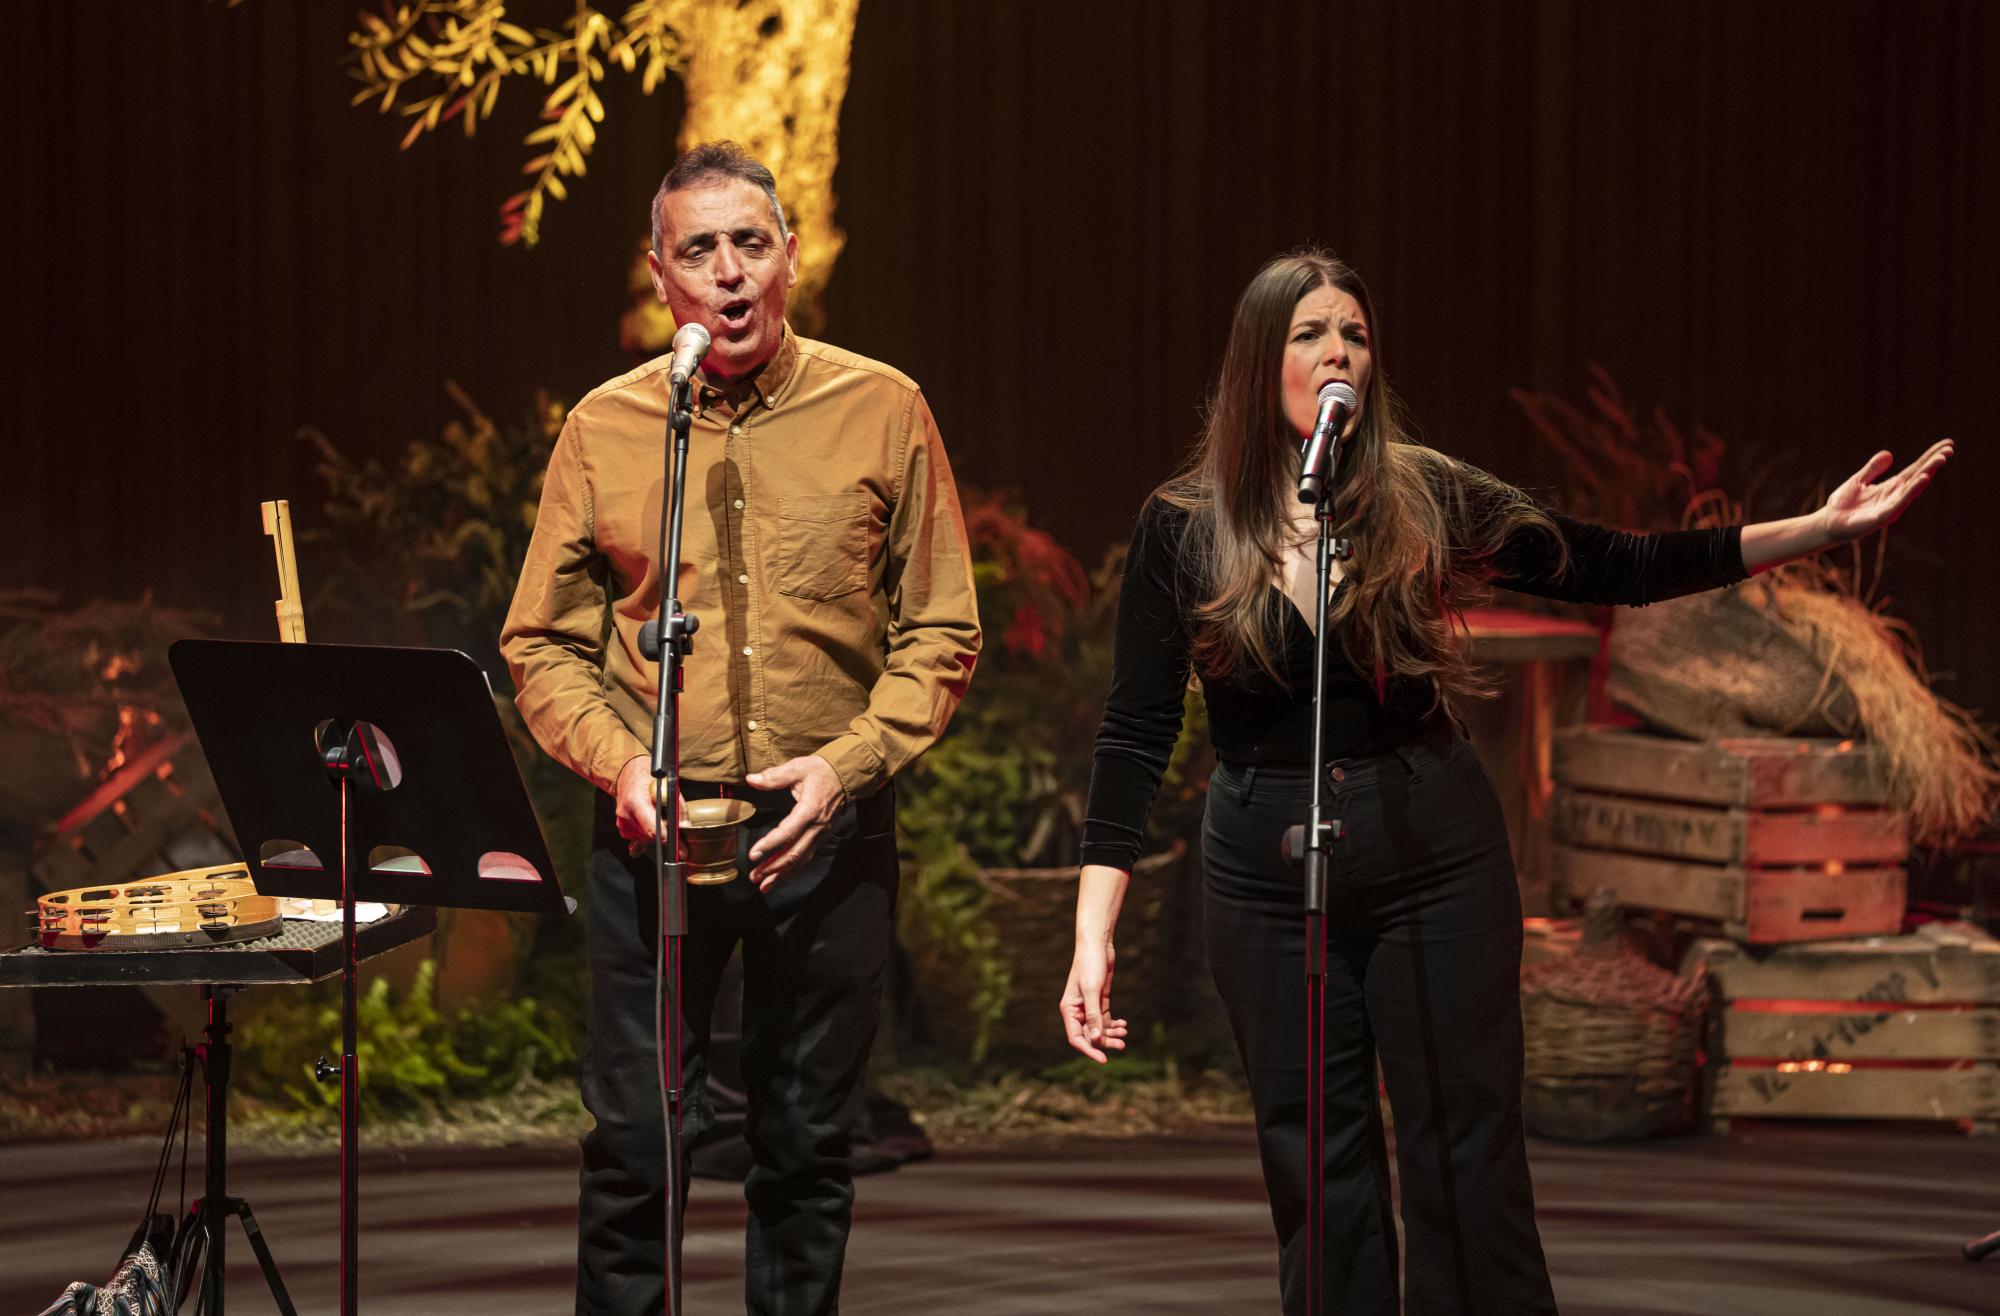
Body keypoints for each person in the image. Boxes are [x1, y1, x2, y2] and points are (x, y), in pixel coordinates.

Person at [1059, 248, 1951, 1315]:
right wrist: (1090, 930)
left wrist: (1816, 528)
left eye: (1352, 332)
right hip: (1263, 866)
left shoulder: (1420, 493)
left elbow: (1614, 564)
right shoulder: (1182, 524)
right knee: (1312, 1158)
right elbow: (1136, 727)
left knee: (1461, 1150)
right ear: (1259, 363)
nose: (1337, 349)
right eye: (1308, 333)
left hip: (1429, 848)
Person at [501, 141, 980, 1316]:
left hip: (823, 821)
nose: (729, 273)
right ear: (659, 276)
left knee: (808, 1142)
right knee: (632, 1145)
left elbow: (942, 630)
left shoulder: (881, 406)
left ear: (791, 258)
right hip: (651, 825)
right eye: (699, 250)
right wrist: (621, 762)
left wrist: (849, 764)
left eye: (750, 244)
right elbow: (539, 644)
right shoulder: (609, 427)